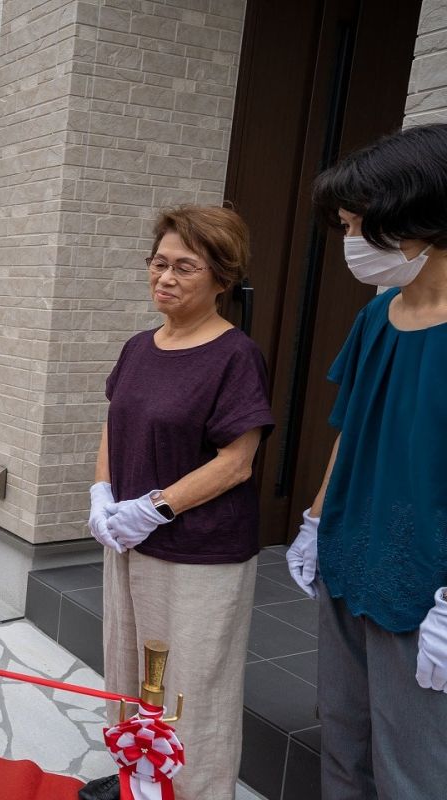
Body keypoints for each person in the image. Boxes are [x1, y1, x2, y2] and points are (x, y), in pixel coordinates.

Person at [85, 206, 275, 800]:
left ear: (222, 278)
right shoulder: (140, 346)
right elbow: (113, 427)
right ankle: (134, 779)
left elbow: (236, 461)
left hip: (198, 552)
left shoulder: (234, 356)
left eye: (184, 267)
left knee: (192, 691)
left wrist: (155, 507)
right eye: (159, 263)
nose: (164, 277)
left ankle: (190, 792)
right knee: (127, 673)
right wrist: (103, 495)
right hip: (130, 542)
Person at [286, 124, 447, 799]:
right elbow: (350, 430)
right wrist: (316, 523)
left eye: (358, 225)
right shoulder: (377, 320)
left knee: (414, 767)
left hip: (426, 585)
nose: (351, 241)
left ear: (414, 222)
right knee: (344, 739)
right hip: (351, 557)